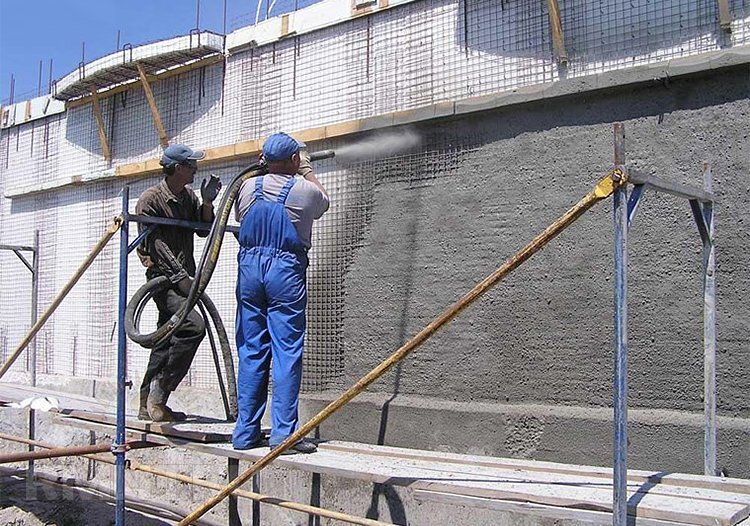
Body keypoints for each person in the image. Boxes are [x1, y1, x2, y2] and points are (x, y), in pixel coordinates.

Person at [233, 132, 329, 453]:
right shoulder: (303, 190)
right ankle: (283, 435)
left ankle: (245, 433)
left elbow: (240, 218)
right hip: (284, 271)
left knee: (251, 349)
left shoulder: (247, 188)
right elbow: (323, 202)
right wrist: (306, 169)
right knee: (286, 351)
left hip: (249, 270)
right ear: (292, 160)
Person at [135, 144, 222, 422]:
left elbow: (202, 230)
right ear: (176, 168)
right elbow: (157, 246)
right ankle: (160, 393)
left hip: (184, 278)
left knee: (165, 336)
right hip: (163, 280)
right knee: (193, 326)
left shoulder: (187, 197)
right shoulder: (150, 201)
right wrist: (182, 280)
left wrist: (207, 203)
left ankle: (147, 401)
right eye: (190, 165)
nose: (195, 169)